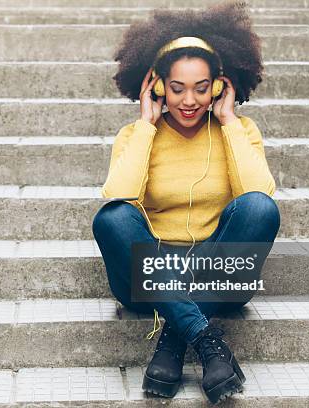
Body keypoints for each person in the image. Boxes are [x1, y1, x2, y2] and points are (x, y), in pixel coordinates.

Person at [91, 1, 280, 403]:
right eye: (176, 88)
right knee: (112, 218)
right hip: (150, 273)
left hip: (220, 272)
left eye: (201, 87)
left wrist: (229, 122)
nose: (189, 100)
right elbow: (117, 196)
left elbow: (258, 194)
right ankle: (204, 336)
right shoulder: (135, 134)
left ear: (219, 85)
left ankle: (175, 338)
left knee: (260, 209)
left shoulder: (240, 129)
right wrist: (146, 126)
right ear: (157, 85)